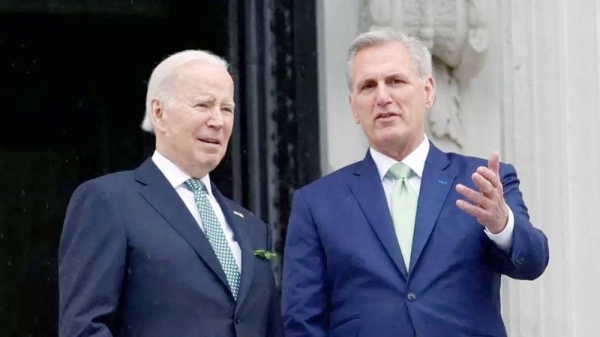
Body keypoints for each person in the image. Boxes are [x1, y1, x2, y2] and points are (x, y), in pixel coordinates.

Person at [281, 28, 549, 337]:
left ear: (428, 91)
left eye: (396, 81)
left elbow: (533, 262)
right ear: (354, 106)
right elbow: (302, 322)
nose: (383, 97)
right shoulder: (316, 204)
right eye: (368, 86)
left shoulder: (484, 182)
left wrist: (502, 225)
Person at [58, 49, 283, 337]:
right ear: (159, 113)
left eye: (227, 108)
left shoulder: (253, 228)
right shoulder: (109, 201)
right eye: (203, 105)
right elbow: (84, 328)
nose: (218, 121)